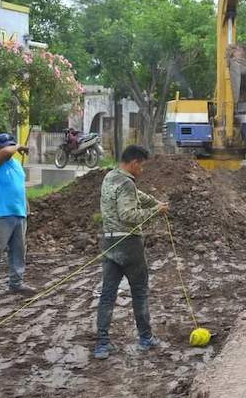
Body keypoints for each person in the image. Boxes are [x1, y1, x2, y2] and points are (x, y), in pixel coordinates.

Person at [94, 145, 169, 360]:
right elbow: (128, 214)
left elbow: (137, 194)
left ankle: (102, 344)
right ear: (134, 163)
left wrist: (154, 201)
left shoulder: (111, 177)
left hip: (108, 242)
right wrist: (156, 210)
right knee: (139, 291)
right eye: (142, 166)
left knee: (107, 294)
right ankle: (146, 338)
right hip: (128, 244)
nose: (143, 170)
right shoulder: (127, 183)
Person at [0, 133, 36, 301]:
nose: (9, 149)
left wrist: (26, 206)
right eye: (6, 146)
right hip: (0, 214)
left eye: (11, 145)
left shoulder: (17, 164)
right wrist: (18, 146)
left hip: (19, 213)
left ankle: (16, 284)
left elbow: (20, 186)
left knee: (18, 252)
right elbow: (4, 154)